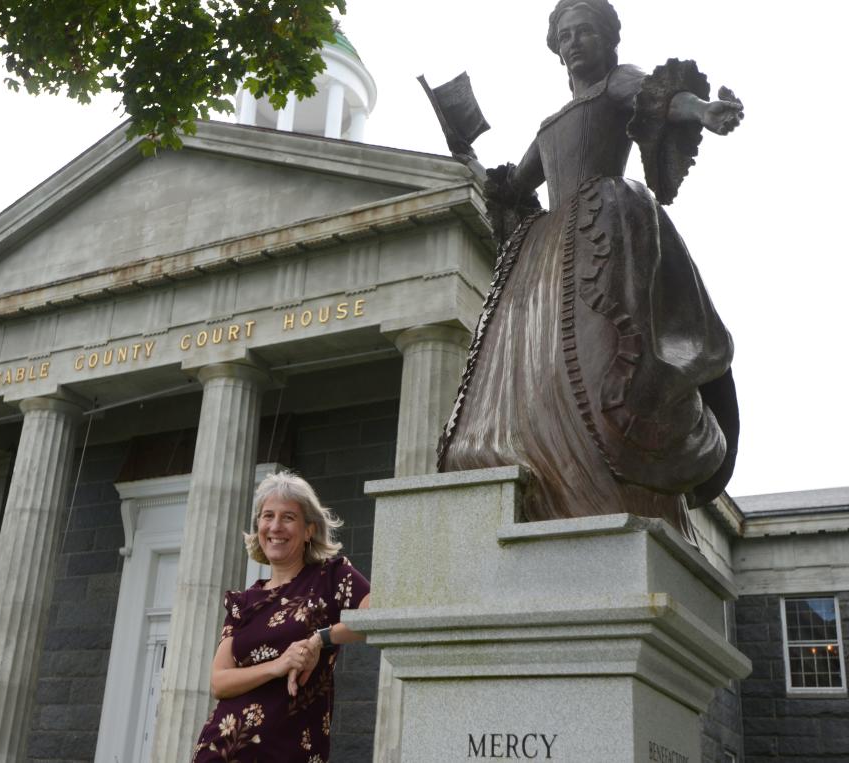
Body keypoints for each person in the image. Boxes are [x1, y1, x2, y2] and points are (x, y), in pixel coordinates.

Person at [438, 0, 744, 545]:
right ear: (556, 50)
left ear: (609, 40)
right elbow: (515, 188)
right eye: (566, 35)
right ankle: (549, 473)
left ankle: (617, 474)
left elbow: (661, 98)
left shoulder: (618, 84)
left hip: (607, 225)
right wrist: (469, 160)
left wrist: (703, 112)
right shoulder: (551, 121)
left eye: (586, 32)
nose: (576, 42)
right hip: (546, 249)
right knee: (541, 365)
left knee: (608, 358)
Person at [191, 472, 370, 763]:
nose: (275, 526)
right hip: (219, 751)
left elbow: (379, 617)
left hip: (289, 751)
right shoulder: (243, 602)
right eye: (267, 516)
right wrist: (278, 666)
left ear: (309, 529)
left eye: (288, 517)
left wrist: (320, 639)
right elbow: (219, 682)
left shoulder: (331, 577)